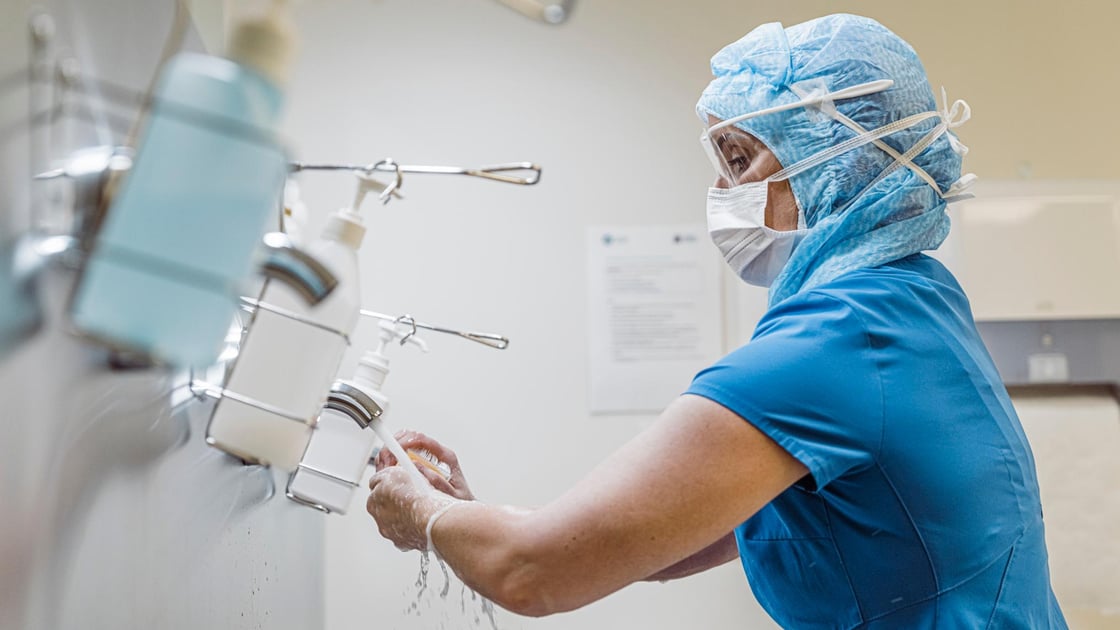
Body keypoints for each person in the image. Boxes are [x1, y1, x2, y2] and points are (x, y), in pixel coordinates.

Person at [366, 13, 1068, 628]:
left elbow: (534, 573)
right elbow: (650, 546)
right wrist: (465, 515)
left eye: (739, 158)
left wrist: (425, 516)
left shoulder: (831, 349)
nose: (721, 191)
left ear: (833, 162)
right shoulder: (917, 300)